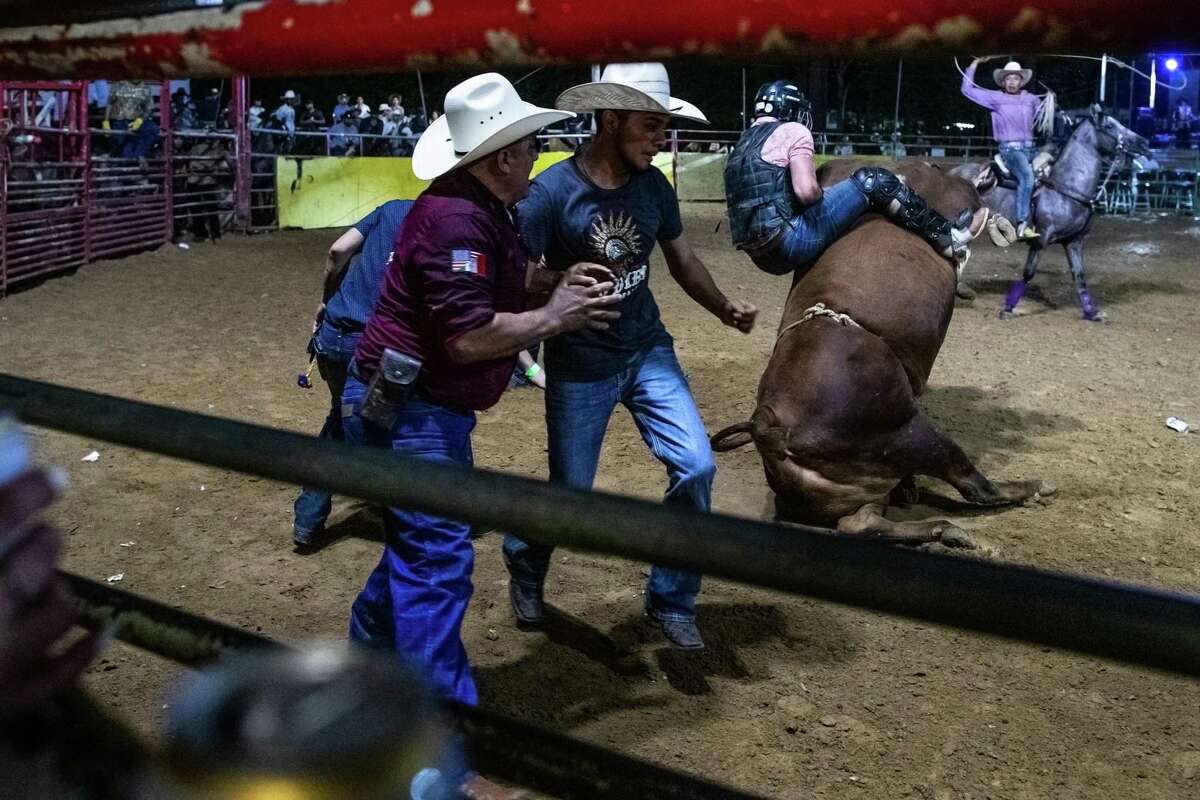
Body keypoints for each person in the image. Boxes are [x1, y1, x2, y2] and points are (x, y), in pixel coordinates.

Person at [343, 73, 620, 800]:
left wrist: (553, 282)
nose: (534, 153)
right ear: (500, 157)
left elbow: (499, 286)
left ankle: (363, 676)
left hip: (406, 405)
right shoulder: (460, 222)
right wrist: (556, 316)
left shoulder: (475, 209)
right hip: (417, 413)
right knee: (435, 564)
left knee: (417, 551)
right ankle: (447, 767)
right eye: (526, 145)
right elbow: (468, 339)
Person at [501, 63, 758, 651]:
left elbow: (683, 261)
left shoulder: (654, 187)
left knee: (696, 466)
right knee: (572, 497)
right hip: (581, 364)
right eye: (650, 126)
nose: (660, 139)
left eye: (665, 128)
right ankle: (524, 554)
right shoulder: (551, 193)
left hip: (647, 350)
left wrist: (722, 308)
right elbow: (514, 273)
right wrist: (558, 280)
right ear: (611, 119)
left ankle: (671, 599)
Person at [724, 80, 970, 276]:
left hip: (760, 256)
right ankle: (950, 238)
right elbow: (807, 192)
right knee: (874, 181)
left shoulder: (742, 144)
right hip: (790, 243)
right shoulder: (792, 130)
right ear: (789, 109)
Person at [292, 200, 416, 549]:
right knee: (387, 423)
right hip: (378, 345)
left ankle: (308, 519)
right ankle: (404, 518)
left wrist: (327, 299)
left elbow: (338, 250)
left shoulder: (392, 209)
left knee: (340, 419)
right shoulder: (446, 224)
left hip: (334, 336)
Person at [961, 57, 1045, 240]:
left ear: (1021, 81)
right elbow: (967, 90)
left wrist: (1050, 101)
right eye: (1008, 79)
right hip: (1010, 150)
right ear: (1003, 82)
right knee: (1027, 177)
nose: (1012, 82)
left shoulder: (1031, 99)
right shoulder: (995, 98)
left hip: (1031, 148)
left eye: (1015, 78)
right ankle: (1022, 224)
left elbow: (1044, 114)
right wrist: (974, 65)